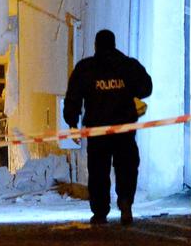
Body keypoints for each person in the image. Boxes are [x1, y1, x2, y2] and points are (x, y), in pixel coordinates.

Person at [63, 29, 152, 226]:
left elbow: (74, 97)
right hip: (124, 129)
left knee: (98, 172)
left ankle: (100, 212)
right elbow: (146, 88)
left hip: (97, 131)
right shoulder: (128, 66)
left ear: (96, 46)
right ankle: (126, 201)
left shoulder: (86, 68)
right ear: (114, 44)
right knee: (127, 168)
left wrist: (72, 123)